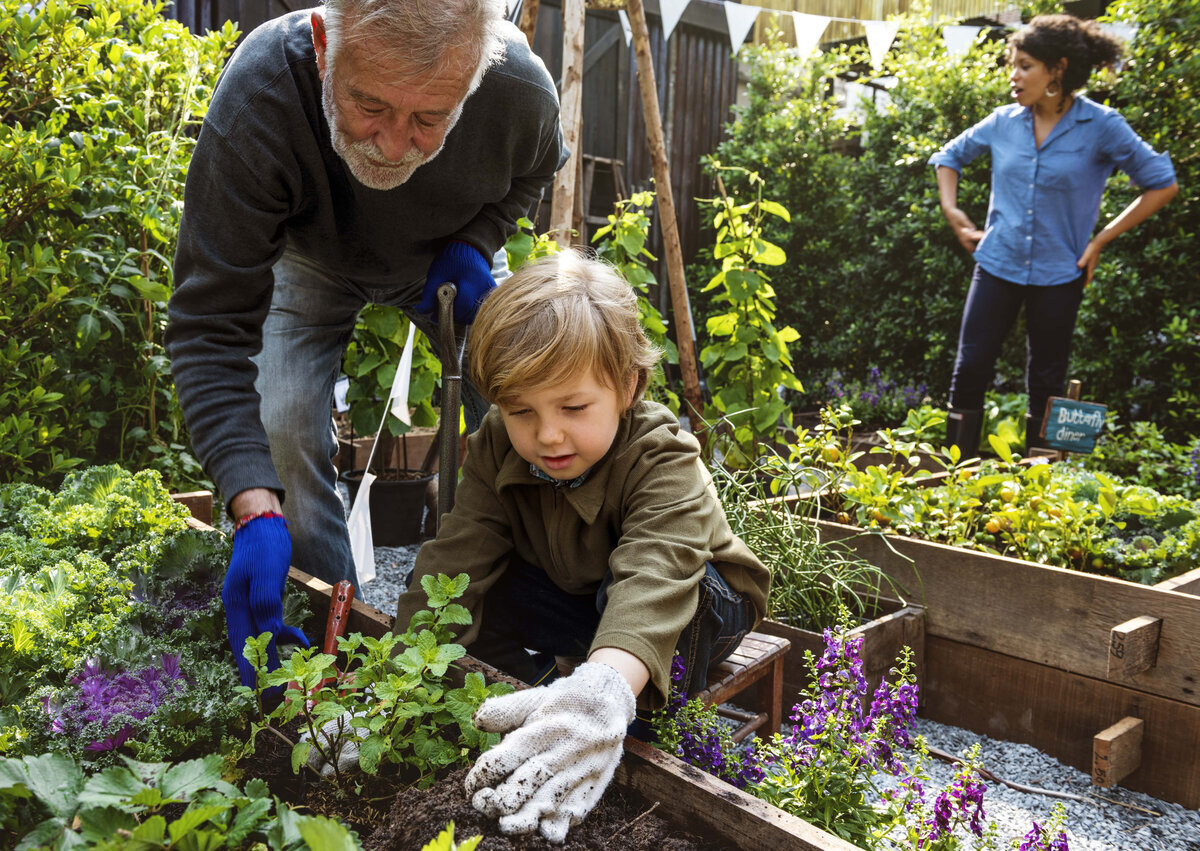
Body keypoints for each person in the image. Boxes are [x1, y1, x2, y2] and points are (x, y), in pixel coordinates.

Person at [164, 0, 566, 686]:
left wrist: (476, 243)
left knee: (535, 403)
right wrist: (252, 503)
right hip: (309, 258)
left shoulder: (517, 89)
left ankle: (537, 613)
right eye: (368, 103)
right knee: (282, 435)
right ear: (324, 44)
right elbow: (209, 326)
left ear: (473, 79)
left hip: (445, 257)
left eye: (429, 119)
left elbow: (533, 171)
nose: (390, 143)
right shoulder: (263, 92)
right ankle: (335, 645)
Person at [391, 249, 770, 842]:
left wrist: (606, 690)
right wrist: (392, 686)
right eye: (520, 410)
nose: (547, 434)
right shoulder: (499, 445)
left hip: (695, 599)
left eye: (573, 407)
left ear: (626, 386)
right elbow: (456, 556)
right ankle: (543, 698)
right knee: (474, 592)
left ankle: (623, 720)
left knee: (671, 602)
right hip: (578, 590)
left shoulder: (662, 455)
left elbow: (655, 572)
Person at [930, 14, 1177, 455]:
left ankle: (1038, 488)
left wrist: (1100, 240)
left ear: (1057, 70)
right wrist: (952, 209)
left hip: (1061, 271)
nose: (1014, 75)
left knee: (1046, 380)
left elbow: (1162, 183)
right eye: (1013, 64)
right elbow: (949, 157)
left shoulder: (1101, 126)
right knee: (970, 369)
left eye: (1025, 65)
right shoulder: (1003, 121)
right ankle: (954, 479)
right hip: (997, 262)